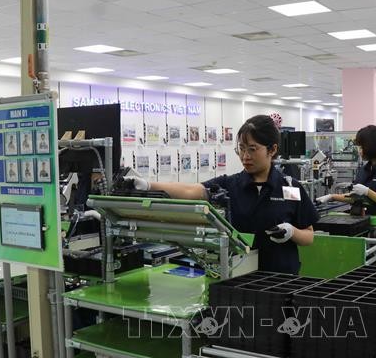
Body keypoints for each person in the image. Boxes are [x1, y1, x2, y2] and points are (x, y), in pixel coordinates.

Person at [130, 115, 318, 275]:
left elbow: (309, 236)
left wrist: (292, 232)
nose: (245, 156)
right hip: (240, 275)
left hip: (280, 277)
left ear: (272, 150)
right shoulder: (230, 185)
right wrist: (148, 185)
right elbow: (191, 190)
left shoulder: (290, 188)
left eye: (252, 149)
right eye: (241, 149)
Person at [315, 125, 376, 216]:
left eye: (361, 147)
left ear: (372, 146)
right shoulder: (364, 170)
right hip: (362, 221)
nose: (359, 151)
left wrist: (367, 192)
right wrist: (332, 196)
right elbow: (354, 198)